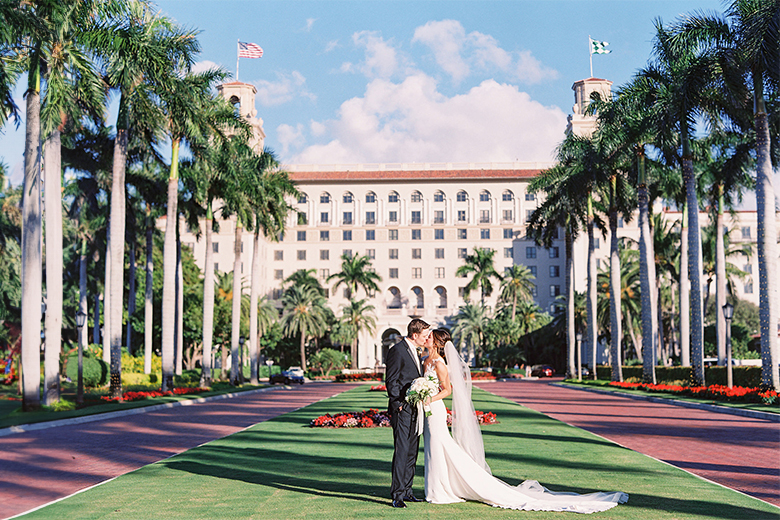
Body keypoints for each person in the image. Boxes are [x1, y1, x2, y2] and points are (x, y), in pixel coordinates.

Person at [421, 328, 629, 513]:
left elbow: (448, 389)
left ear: (438, 342)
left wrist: (429, 397)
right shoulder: (426, 360)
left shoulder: (440, 364)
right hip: (427, 407)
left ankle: (441, 490)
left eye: (430, 336)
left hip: (435, 408)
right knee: (434, 447)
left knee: (440, 446)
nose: (427, 338)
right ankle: (439, 488)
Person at [385, 318, 431, 508]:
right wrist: (398, 404)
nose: (427, 338)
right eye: (425, 335)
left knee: (412, 451)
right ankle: (397, 495)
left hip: (416, 409)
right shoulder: (397, 350)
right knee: (402, 451)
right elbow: (392, 380)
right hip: (403, 409)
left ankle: (408, 490)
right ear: (415, 335)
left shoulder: (417, 352)